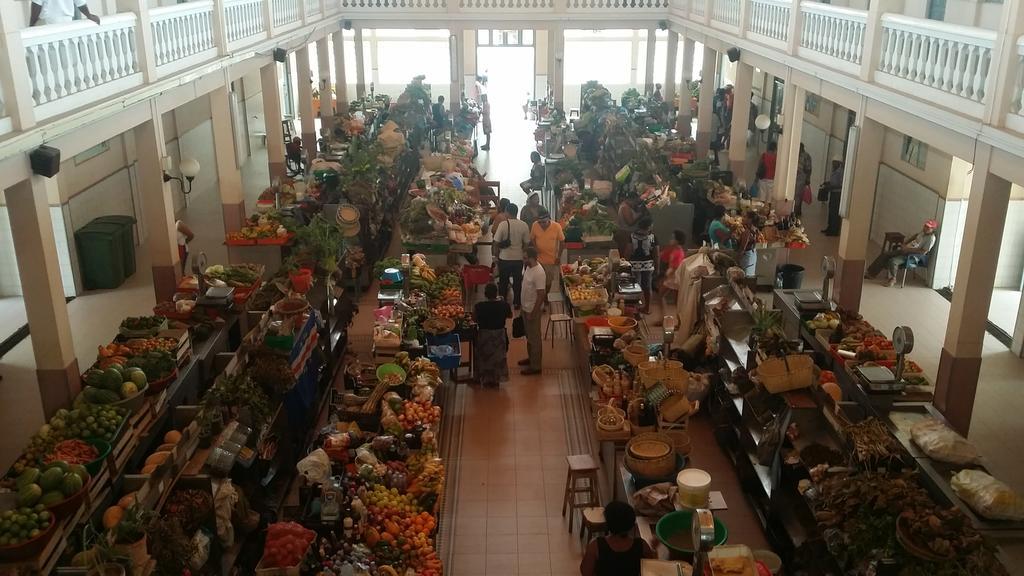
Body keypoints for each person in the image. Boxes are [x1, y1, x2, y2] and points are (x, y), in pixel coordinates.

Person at [579, 500, 655, 576]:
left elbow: (585, 572)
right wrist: (654, 549)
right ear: (631, 524)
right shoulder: (641, 545)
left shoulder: (595, 545)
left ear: (608, 523)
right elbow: (652, 569)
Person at [866, 220, 938, 287]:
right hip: (906, 250)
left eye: (928, 227)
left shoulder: (931, 238)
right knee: (885, 254)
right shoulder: (922, 232)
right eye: (925, 226)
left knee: (893, 261)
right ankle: (871, 273)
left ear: (933, 229)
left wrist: (907, 249)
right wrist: (904, 244)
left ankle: (893, 279)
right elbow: (915, 236)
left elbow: (923, 251)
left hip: (914, 256)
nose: (925, 228)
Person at [473, 283, 512, 388]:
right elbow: (510, 315)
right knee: (498, 358)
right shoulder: (504, 305)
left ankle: (484, 377)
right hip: (499, 337)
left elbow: (474, 319)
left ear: (485, 294)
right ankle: (496, 378)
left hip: (484, 337)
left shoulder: (479, 306)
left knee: (484, 357)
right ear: (496, 293)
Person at [493, 203, 530, 308]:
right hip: (518, 258)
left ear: (507, 212)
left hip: (504, 258)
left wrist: (496, 256)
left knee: (503, 281)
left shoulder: (503, 225)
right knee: (517, 281)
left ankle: (503, 303)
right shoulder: (524, 225)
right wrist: (523, 253)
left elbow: (496, 242)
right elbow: (527, 242)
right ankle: (517, 302)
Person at [518, 247, 546, 375]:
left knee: (534, 338)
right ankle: (531, 358)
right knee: (529, 336)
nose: (523, 260)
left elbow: (541, 295)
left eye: (525, 258)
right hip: (525, 308)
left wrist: (533, 313)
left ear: (532, 258)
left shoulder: (539, 273)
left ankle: (536, 366)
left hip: (532, 310)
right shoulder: (527, 267)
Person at [530, 209, 565, 295]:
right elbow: (532, 238)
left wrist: (558, 257)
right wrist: (535, 248)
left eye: (544, 222)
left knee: (548, 281)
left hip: (551, 260)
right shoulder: (535, 225)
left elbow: (562, 242)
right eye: (540, 222)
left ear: (549, 219)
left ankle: (545, 296)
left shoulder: (557, 226)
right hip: (538, 259)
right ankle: (539, 297)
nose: (541, 224)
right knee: (537, 281)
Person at [630, 218, 658, 315]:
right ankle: (647, 308)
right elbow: (656, 253)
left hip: (634, 264)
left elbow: (628, 250)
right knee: (647, 286)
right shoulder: (652, 237)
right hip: (648, 265)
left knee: (635, 286)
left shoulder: (632, 236)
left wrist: (624, 262)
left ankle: (635, 309)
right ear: (649, 226)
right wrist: (657, 267)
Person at [821, 156, 844, 236]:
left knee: (834, 212)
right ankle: (829, 227)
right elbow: (833, 182)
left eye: (835, 162)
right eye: (833, 162)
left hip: (837, 194)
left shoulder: (840, 172)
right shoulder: (834, 171)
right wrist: (827, 183)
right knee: (831, 211)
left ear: (839, 163)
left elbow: (842, 185)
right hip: (832, 193)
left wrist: (832, 187)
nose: (833, 164)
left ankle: (834, 230)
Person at [30, 0, 100, 25]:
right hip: (67, 21)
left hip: (48, 21)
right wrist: (88, 15)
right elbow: (80, 3)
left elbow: (36, 5)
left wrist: (32, 24)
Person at [614, 193, 640, 258]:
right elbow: (630, 222)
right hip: (625, 234)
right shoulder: (625, 207)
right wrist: (639, 215)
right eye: (635, 201)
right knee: (624, 255)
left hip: (626, 233)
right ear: (631, 200)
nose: (635, 203)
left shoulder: (626, 206)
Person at [737, 211, 760, 277]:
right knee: (750, 278)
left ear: (750, 220)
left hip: (746, 258)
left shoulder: (747, 232)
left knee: (744, 278)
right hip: (752, 255)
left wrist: (737, 260)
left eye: (745, 217)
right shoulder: (755, 229)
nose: (742, 218)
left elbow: (742, 248)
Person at [795, 143, 812, 218]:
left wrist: (808, 179)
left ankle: (796, 211)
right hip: (795, 176)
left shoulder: (806, 156)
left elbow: (808, 169)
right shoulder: (795, 153)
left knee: (798, 195)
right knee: (797, 195)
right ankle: (797, 210)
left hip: (801, 177)